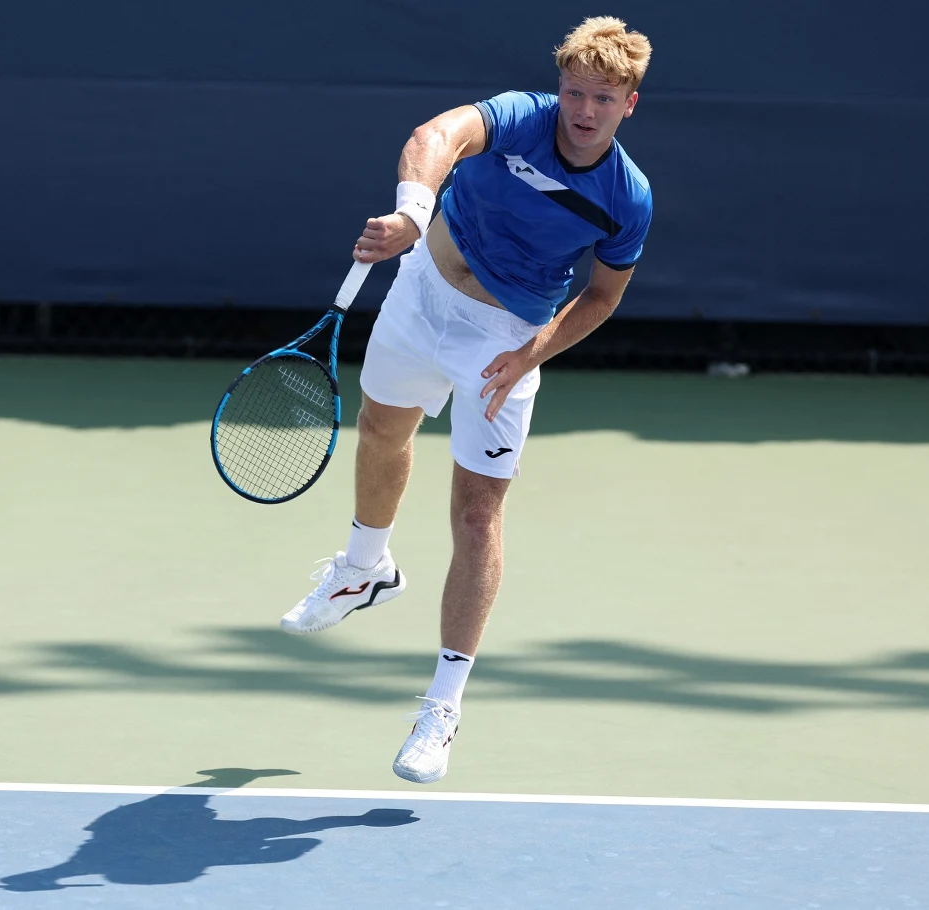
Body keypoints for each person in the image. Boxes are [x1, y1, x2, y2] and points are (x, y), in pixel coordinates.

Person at [279, 16, 655, 784]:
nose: (584, 111)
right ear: (561, 88)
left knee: (478, 512)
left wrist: (531, 353)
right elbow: (436, 135)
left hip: (506, 338)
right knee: (382, 430)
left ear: (629, 105)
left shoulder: (628, 197)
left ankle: (442, 708)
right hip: (421, 295)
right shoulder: (521, 116)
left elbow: (603, 295)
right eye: (575, 92)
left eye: (603, 99)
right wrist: (414, 214)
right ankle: (364, 567)